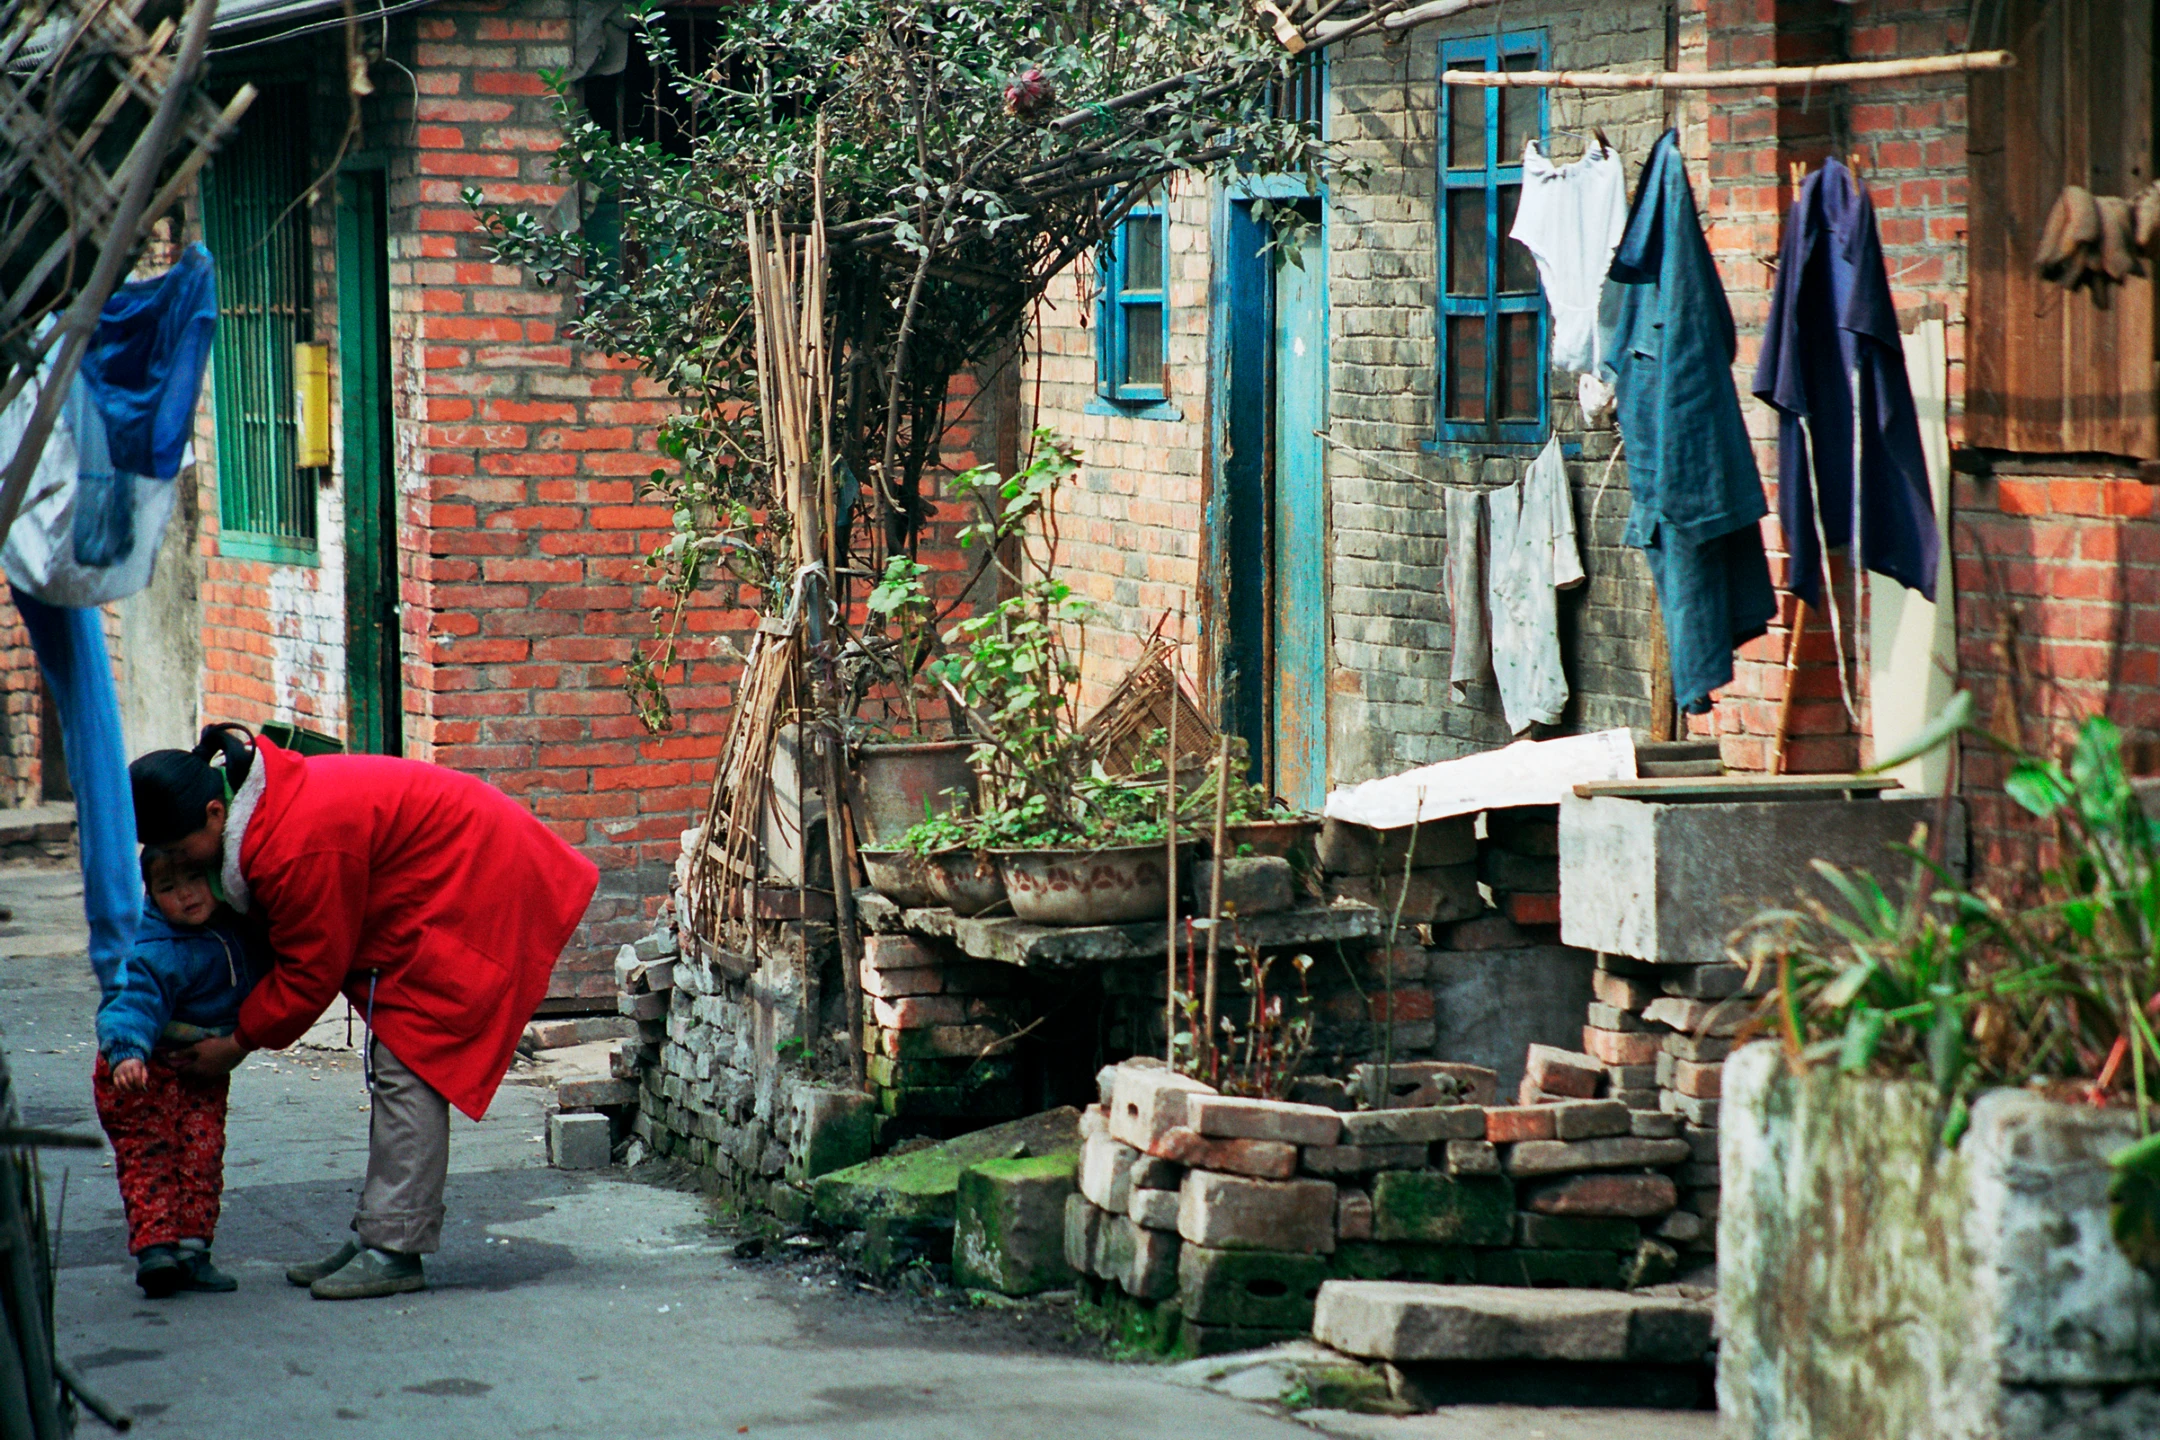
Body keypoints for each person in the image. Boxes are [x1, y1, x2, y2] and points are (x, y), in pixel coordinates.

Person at [127, 724, 600, 1301]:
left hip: (478, 877)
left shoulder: (292, 845)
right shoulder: (260, 809)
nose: (178, 867)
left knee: (411, 1059)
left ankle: (394, 1249)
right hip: (451, 871)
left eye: (178, 853)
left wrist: (238, 1041)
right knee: (395, 1056)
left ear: (213, 815)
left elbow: (309, 972)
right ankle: (381, 1229)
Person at [93, 850, 258, 1298]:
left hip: (200, 1069)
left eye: (194, 878)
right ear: (150, 895)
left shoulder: (231, 929)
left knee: (201, 1156)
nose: (185, 894)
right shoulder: (151, 947)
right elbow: (129, 1001)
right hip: (143, 1071)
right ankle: (156, 1250)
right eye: (168, 888)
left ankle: (192, 1249)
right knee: (150, 1157)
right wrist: (126, 1053)